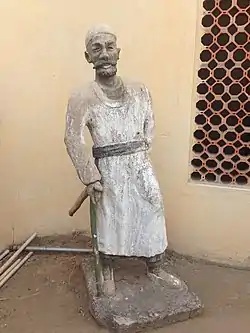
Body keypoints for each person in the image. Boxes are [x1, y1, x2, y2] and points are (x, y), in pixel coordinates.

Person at [65, 25, 184, 295]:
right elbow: (72, 138)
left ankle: (155, 266)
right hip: (106, 168)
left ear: (118, 52)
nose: (104, 54)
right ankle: (106, 269)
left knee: (152, 206)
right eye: (97, 49)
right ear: (88, 57)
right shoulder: (82, 97)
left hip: (139, 163)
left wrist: (137, 154)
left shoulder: (140, 90)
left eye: (109, 47)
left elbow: (149, 126)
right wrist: (90, 175)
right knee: (111, 215)